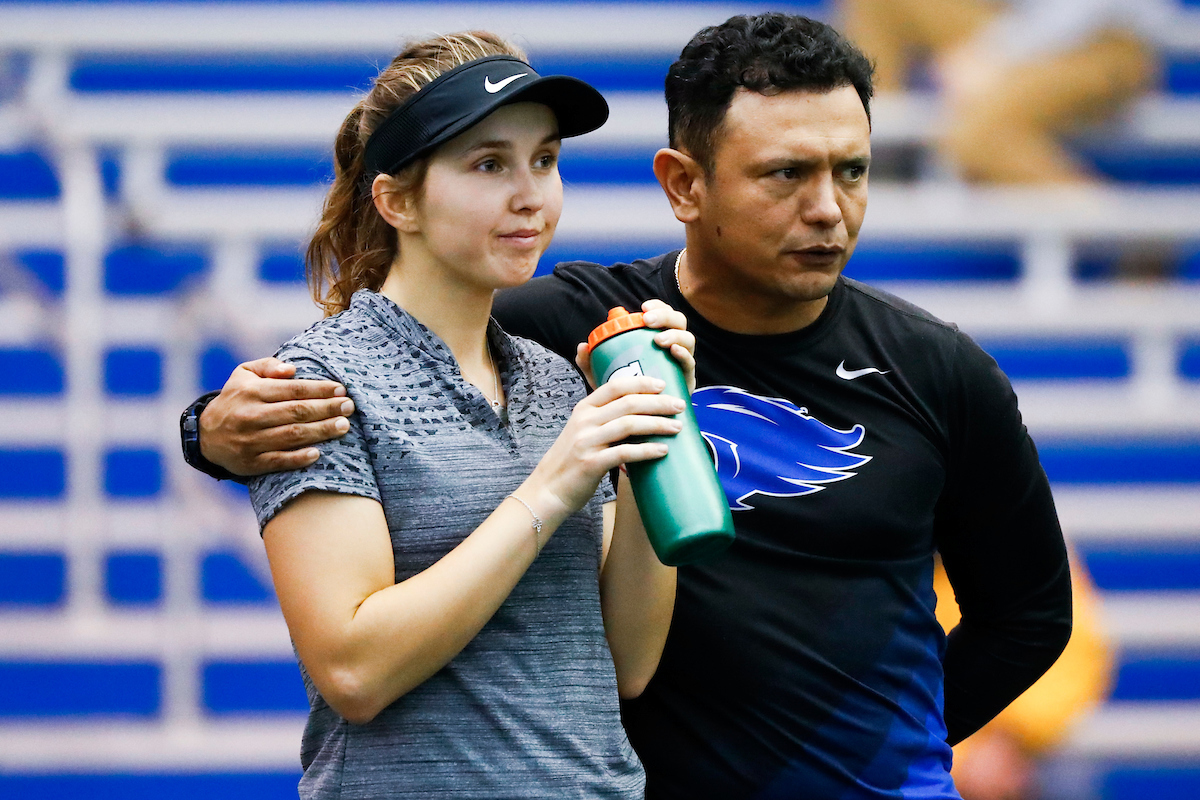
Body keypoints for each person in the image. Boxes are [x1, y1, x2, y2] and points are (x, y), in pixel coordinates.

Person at [181, 14, 1073, 799]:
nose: (828, 211)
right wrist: (210, 431)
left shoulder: (937, 367)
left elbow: (1030, 613)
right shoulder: (570, 334)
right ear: (684, 184)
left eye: (852, 171)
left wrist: (890, 749)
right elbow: (363, 366)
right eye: (785, 175)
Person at [229, 31, 702, 799]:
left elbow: (629, 663)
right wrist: (553, 485)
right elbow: (355, 669)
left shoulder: (556, 382)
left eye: (544, 160)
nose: (531, 195)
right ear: (396, 200)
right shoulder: (320, 383)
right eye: (489, 164)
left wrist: (655, 437)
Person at [839, 0, 1167, 185]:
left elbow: (1088, 10)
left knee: (976, 138)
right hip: (1017, 27)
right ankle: (880, 156)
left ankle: (1125, 237)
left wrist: (994, 54)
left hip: (1102, 42)